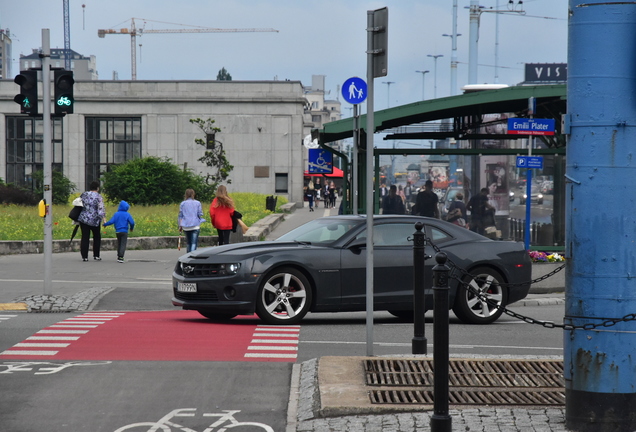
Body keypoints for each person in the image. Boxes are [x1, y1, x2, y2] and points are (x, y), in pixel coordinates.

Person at [78, 181, 106, 262]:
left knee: (85, 237)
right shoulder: (98, 197)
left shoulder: (84, 194)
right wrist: (104, 219)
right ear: (97, 188)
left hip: (84, 219)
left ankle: (84, 256)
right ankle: (96, 255)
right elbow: (100, 209)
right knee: (96, 237)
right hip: (95, 220)